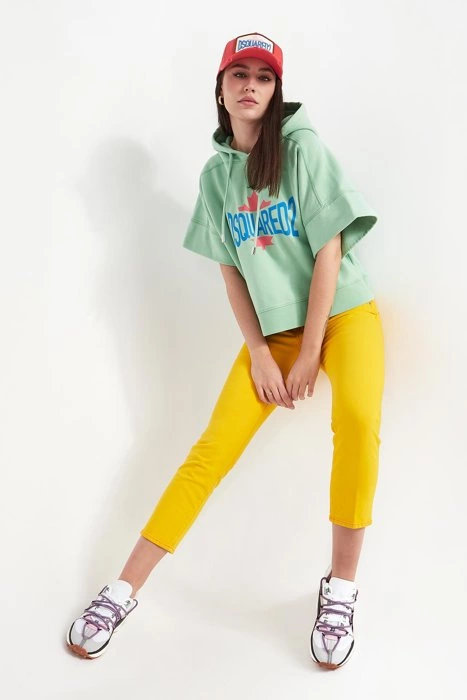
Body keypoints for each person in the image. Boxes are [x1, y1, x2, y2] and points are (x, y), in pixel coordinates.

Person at [66, 31, 385, 670]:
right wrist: (261, 352)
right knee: (210, 452)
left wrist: (311, 350)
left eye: (264, 77)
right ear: (220, 88)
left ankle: (341, 589)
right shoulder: (215, 176)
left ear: (276, 91)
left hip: (344, 315)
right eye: (239, 74)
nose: (250, 86)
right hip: (274, 334)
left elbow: (329, 249)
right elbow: (231, 272)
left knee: (356, 420)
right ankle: (122, 590)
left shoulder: (302, 149)